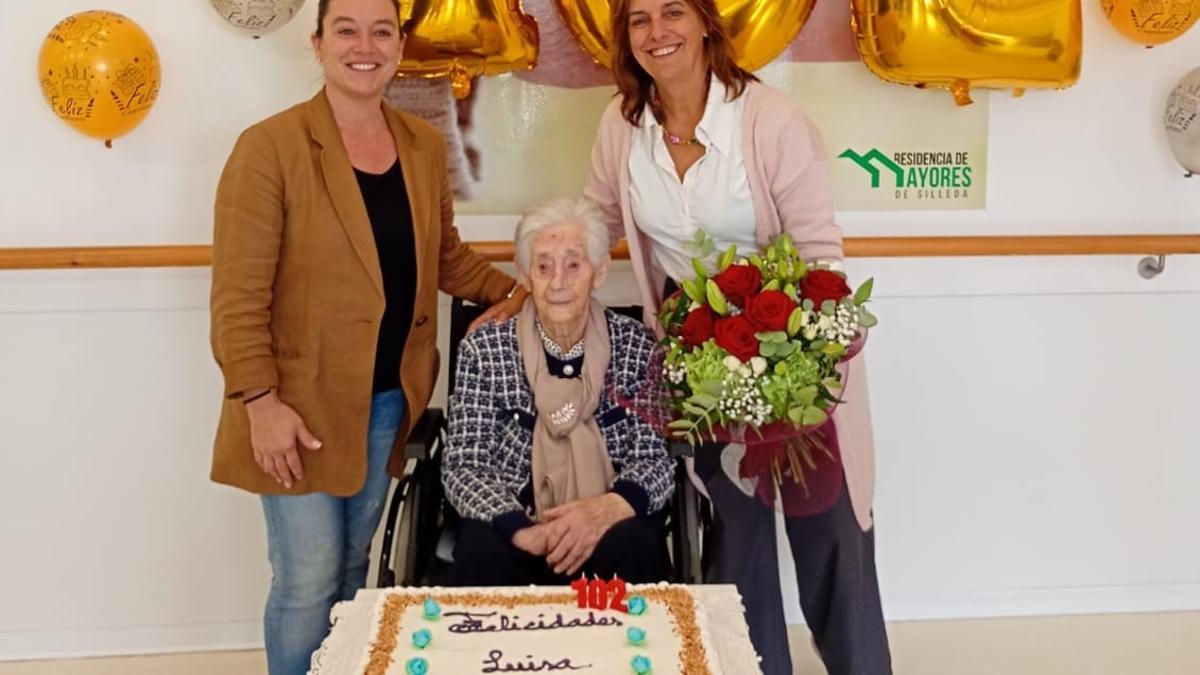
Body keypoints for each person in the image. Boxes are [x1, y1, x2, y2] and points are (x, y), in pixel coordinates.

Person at [208, 1, 526, 672]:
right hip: (298, 405)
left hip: (388, 401)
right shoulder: (269, 147)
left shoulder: (422, 143)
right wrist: (260, 401)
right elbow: (238, 298)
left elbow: (446, 260)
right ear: (319, 43)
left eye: (382, 30)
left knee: (354, 568)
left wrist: (526, 294)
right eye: (346, 30)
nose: (365, 45)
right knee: (306, 580)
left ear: (399, 45)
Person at [582, 0, 891, 672]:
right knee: (736, 548)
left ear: (704, 23)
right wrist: (525, 288)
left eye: (673, 12)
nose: (657, 32)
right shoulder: (620, 124)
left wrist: (804, 357)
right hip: (697, 366)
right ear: (625, 36)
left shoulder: (771, 120)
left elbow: (818, 251)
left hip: (790, 351)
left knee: (831, 532)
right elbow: (593, 219)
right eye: (639, 19)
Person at [442, 197, 675, 585]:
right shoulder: (483, 349)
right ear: (524, 274)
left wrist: (602, 512)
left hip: (608, 520)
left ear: (599, 272)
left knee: (634, 547)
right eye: (544, 267)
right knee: (483, 551)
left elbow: (654, 460)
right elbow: (465, 465)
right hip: (513, 520)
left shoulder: (637, 345)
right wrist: (523, 528)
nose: (559, 283)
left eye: (573, 265)